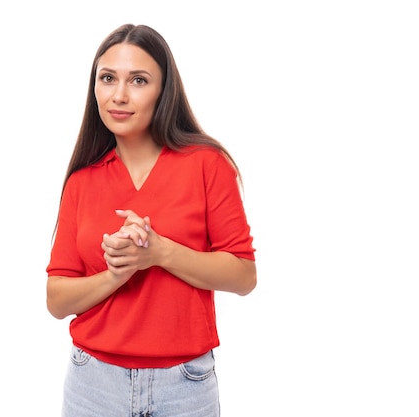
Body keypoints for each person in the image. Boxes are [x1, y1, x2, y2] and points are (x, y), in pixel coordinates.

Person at [45, 23, 256, 417]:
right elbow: (57, 300)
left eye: (138, 80)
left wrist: (158, 252)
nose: (119, 95)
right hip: (93, 385)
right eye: (107, 78)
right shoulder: (82, 180)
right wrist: (116, 274)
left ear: (164, 90)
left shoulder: (208, 165)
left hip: (185, 385)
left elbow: (243, 276)